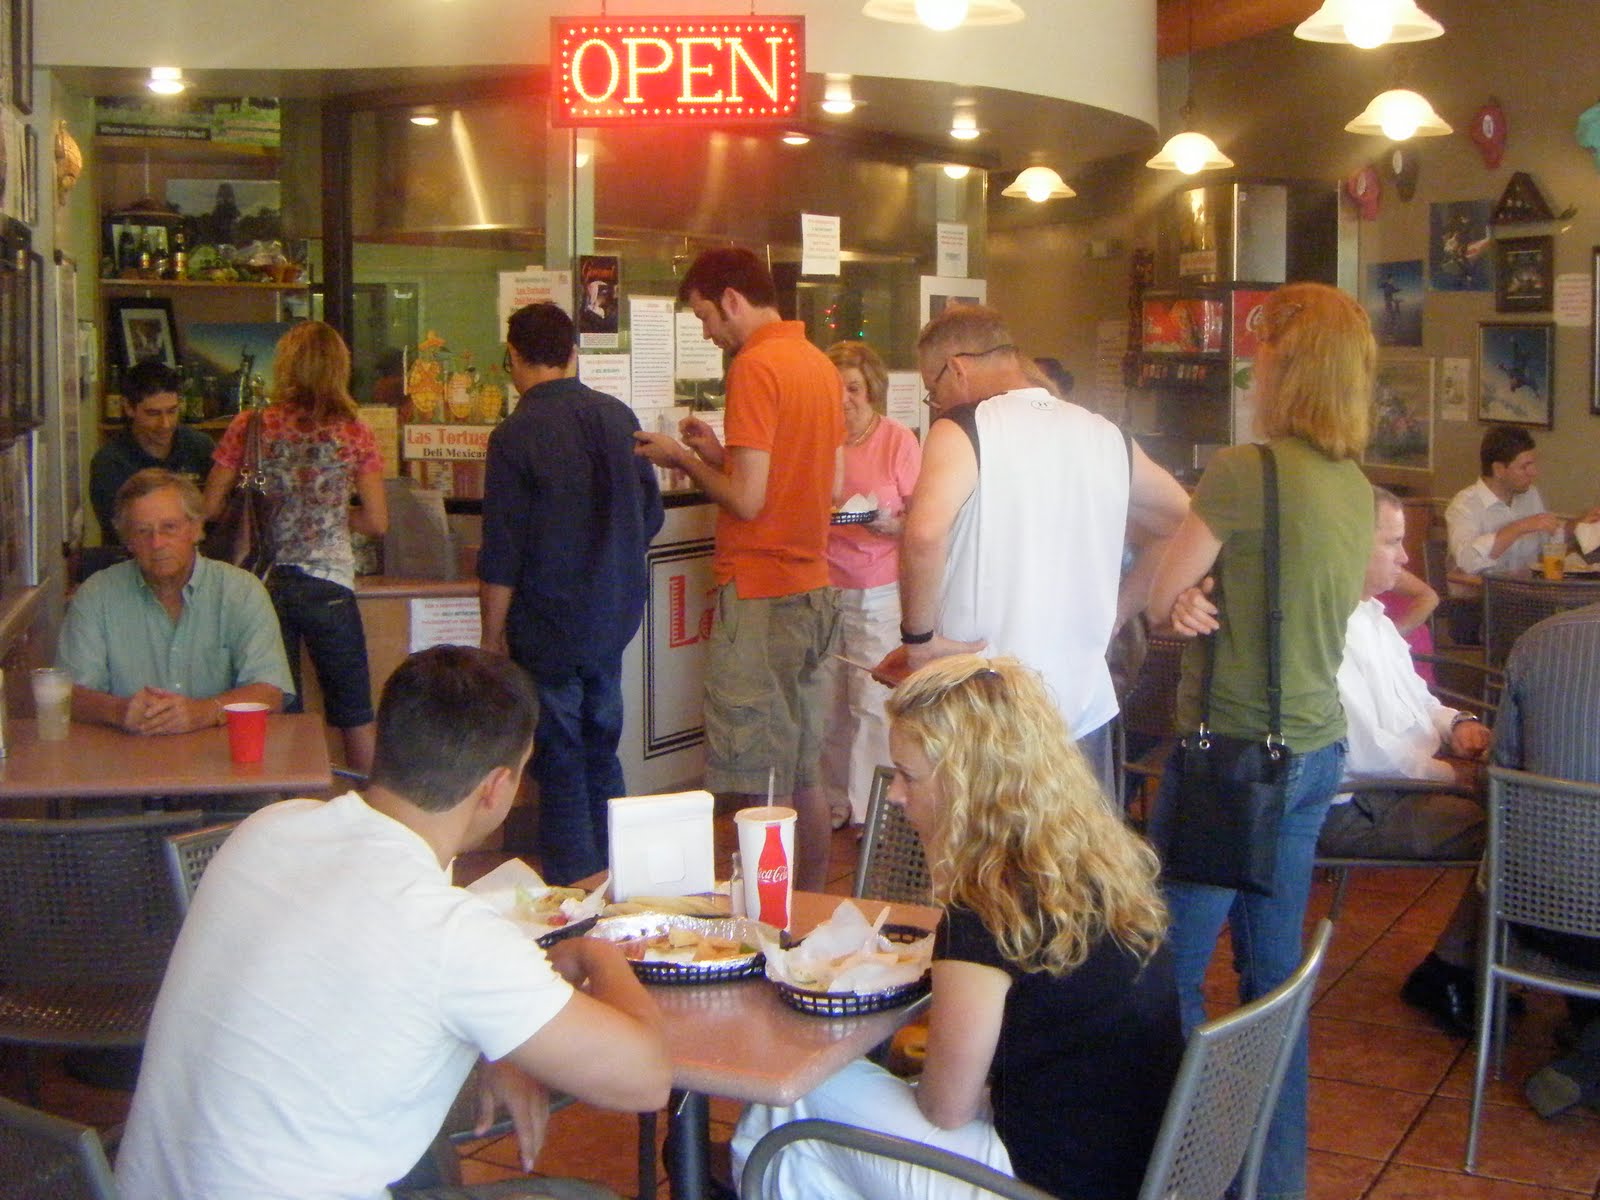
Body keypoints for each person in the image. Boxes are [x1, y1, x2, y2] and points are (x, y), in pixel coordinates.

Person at [114, 645, 671, 1200]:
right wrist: (597, 952)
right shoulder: (451, 933)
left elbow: (361, 985)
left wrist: (504, 1040)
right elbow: (647, 1079)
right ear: (497, 787)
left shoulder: (269, 826)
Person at [730, 655, 1182, 1200]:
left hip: (1038, 1181)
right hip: (1132, 1165)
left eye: (909, 776)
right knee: (811, 1143)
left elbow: (946, 1108)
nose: (896, 794)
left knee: (788, 1100)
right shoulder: (1096, 864)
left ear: (969, 785)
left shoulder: (988, 905)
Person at [1146, 281, 1375, 1200]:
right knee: (1274, 982)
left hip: (1233, 761)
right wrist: (1203, 600)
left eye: (1265, 352)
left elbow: (1161, 595)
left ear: (1292, 367)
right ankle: (1273, 1182)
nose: (1255, 368)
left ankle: (1172, 1171)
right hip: (1314, 752)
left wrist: (1182, 602)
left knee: (1171, 972)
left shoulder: (1246, 471)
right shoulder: (1356, 485)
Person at [875, 304, 1189, 795]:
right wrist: (1118, 612)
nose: (936, 404)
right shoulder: (1104, 433)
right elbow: (1180, 521)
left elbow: (924, 535)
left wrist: (919, 641)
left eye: (932, 391)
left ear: (956, 368)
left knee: (982, 843)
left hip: (986, 705)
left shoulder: (965, 428)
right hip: (1081, 704)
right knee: (1077, 842)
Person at [634, 247, 843, 892]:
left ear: (730, 299)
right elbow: (821, 483)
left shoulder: (755, 365)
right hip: (813, 588)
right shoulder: (818, 364)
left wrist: (682, 459)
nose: (706, 333)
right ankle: (807, 904)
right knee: (803, 770)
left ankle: (762, 911)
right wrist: (721, 454)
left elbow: (749, 501)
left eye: (704, 316)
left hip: (758, 594)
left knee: (756, 777)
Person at [479, 302, 664, 884]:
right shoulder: (617, 416)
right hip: (613, 615)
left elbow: (503, 550)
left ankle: (574, 889)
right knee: (602, 744)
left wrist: (491, 635)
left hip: (547, 620)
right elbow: (651, 514)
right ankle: (619, 880)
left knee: (559, 754)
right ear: (573, 354)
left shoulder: (514, 436)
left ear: (513, 358)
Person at [1318, 486, 1493, 1038]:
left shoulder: (1371, 616)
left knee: (1523, 822)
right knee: (1515, 837)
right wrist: (1455, 775)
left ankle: (1461, 967)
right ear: (1350, 544)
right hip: (1359, 805)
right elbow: (1370, 754)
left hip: (1401, 785)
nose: (1406, 556)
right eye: (1393, 542)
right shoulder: (1329, 630)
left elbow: (1419, 699)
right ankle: (1451, 970)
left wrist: (1457, 724)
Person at [204, 321, 388, 774]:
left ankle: (285, 801)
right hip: (329, 584)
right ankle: (372, 808)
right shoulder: (355, 433)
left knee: (279, 711)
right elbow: (377, 522)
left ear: (285, 365)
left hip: (261, 585)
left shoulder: (250, 426)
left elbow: (208, 508)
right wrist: (332, 512)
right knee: (355, 715)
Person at [59, 468, 292, 734]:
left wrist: (204, 712)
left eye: (169, 527)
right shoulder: (96, 595)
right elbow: (68, 695)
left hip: (220, 752)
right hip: (126, 752)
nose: (157, 543)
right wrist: (119, 711)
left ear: (196, 529)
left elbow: (270, 691)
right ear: (128, 541)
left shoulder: (242, 592)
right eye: (143, 531)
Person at [1490, 601, 1600, 1117]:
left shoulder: (1539, 639)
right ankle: (1586, 1064)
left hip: (1539, 913)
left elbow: (1502, 770)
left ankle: (1587, 1038)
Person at [819, 340, 920, 828]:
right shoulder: (819, 439)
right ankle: (834, 799)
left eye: (854, 388)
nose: (844, 399)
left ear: (872, 389)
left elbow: (923, 517)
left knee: (871, 701)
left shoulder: (898, 440)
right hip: (822, 584)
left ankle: (871, 810)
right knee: (828, 701)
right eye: (835, 389)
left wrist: (891, 525)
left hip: (877, 588)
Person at [1444, 426, 1562, 643]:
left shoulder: (1530, 495)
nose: (1533, 472)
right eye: (1525, 466)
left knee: (1562, 623)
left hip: (1526, 601)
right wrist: (1518, 528)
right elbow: (1467, 562)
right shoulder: (1464, 505)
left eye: (1533, 464)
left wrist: (1579, 524)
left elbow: (1549, 543)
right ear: (1499, 469)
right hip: (1477, 607)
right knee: (1540, 630)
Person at [89, 358, 214, 547]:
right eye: (153, 414)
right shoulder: (110, 462)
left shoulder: (200, 447)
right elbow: (120, 532)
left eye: (172, 411)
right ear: (129, 408)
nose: (165, 424)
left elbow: (215, 521)